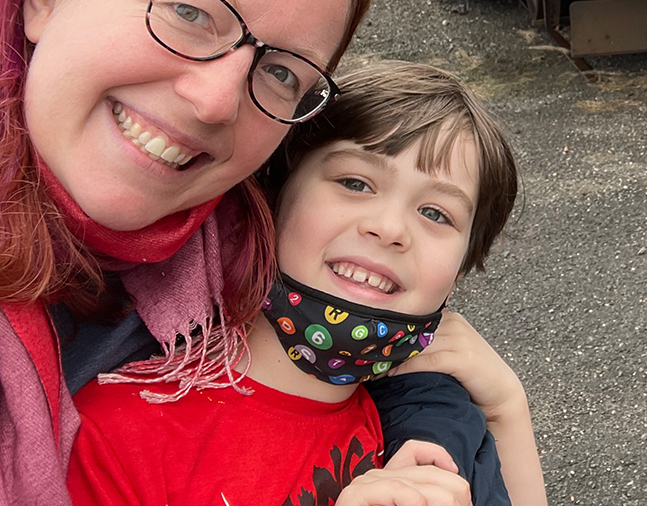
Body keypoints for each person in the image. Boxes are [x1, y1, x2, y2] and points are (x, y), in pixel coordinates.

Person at [0, 0, 398, 506]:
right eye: (189, 11)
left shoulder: (248, 251)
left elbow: (378, 374)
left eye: (281, 74)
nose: (216, 101)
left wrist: (466, 411)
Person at [65, 61, 546, 506]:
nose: (390, 229)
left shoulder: (444, 434)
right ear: (273, 193)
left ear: (463, 266)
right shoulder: (122, 434)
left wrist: (507, 409)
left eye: (436, 213)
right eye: (355, 183)